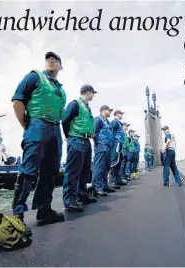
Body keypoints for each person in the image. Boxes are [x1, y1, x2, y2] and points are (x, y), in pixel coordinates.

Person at [11, 51, 66, 232]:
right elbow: (18, 100)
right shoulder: (34, 77)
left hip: (54, 128)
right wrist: (27, 126)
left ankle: (44, 210)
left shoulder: (60, 90)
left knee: (50, 171)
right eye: (48, 58)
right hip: (37, 125)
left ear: (60, 66)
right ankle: (17, 216)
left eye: (55, 59)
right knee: (28, 171)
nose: (51, 60)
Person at [62, 84, 98, 212]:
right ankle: (69, 200)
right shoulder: (75, 104)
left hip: (86, 140)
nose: (93, 95)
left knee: (85, 170)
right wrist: (69, 136)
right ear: (88, 93)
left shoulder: (87, 107)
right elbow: (65, 121)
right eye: (93, 93)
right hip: (76, 139)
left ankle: (82, 195)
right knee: (73, 172)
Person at [91, 105, 116, 196]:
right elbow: (93, 132)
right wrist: (99, 143)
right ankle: (97, 187)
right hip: (101, 147)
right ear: (103, 110)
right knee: (99, 167)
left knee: (106, 167)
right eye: (109, 110)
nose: (110, 112)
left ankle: (105, 185)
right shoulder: (98, 120)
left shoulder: (107, 122)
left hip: (108, 147)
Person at [109, 110, 129, 188]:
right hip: (116, 144)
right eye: (121, 113)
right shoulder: (114, 122)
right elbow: (110, 132)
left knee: (119, 162)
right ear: (117, 114)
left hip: (120, 145)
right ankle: (112, 181)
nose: (122, 115)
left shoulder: (119, 124)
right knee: (114, 162)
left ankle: (117, 180)